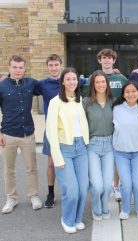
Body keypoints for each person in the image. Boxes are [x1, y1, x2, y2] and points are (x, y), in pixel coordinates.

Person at [46, 67, 89, 233]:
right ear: (62, 82)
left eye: (75, 79)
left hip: (81, 148)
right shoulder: (55, 102)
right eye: (69, 79)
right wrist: (57, 157)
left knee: (82, 188)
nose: (72, 82)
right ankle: (67, 219)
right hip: (65, 148)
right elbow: (51, 132)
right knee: (71, 190)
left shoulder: (79, 100)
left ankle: (77, 219)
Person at [82, 48, 127, 201]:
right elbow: (84, 93)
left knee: (114, 159)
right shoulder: (92, 78)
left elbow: (130, 92)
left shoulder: (120, 78)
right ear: (99, 60)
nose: (107, 60)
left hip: (116, 119)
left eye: (110, 58)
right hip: (98, 119)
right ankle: (100, 186)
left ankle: (116, 186)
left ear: (114, 60)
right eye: (104, 58)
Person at [0, 55, 43, 214]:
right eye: (14, 67)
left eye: (20, 67)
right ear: (9, 68)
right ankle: (11, 198)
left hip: (27, 134)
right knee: (8, 169)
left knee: (31, 168)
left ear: (24, 69)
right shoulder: (2, 86)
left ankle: (33, 195)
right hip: (8, 134)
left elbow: (50, 86)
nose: (18, 70)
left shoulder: (31, 83)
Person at [112, 81, 138, 220]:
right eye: (127, 91)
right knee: (126, 183)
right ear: (123, 94)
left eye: (133, 91)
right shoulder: (116, 109)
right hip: (121, 152)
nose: (130, 94)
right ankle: (126, 209)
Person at [83, 70, 114, 221]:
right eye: (97, 82)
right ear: (93, 84)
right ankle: (97, 207)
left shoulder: (113, 102)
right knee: (97, 185)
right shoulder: (86, 102)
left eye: (103, 82)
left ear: (107, 84)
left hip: (110, 146)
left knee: (108, 186)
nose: (101, 85)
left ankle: (104, 205)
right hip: (92, 146)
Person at [36, 54, 63, 208]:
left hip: (68, 130)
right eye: (51, 65)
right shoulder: (42, 84)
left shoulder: (70, 79)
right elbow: (25, 86)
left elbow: (92, 80)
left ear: (61, 65)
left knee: (70, 162)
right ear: (47, 67)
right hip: (51, 129)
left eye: (56, 65)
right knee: (52, 163)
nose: (53, 68)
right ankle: (51, 193)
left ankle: (70, 191)